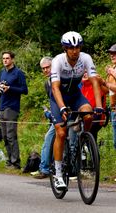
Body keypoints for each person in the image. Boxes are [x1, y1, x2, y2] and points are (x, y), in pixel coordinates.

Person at [50, 31, 103, 190]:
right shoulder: (58, 61)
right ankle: (58, 174)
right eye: (71, 48)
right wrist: (62, 107)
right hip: (58, 98)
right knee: (61, 132)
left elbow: (95, 82)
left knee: (88, 115)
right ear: (65, 49)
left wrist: (98, 105)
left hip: (75, 95)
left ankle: (83, 142)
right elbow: (55, 87)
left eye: (77, 47)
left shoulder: (85, 58)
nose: (75, 51)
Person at [0, 51, 28, 169]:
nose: (5, 60)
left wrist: (10, 88)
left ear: (12, 59)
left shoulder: (18, 73)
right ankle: (10, 160)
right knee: (4, 136)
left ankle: (16, 162)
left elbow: (24, 90)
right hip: (2, 106)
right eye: (3, 58)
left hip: (12, 107)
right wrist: (0, 85)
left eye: (7, 58)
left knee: (11, 135)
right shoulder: (2, 72)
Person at [32, 57, 55, 179]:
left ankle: (46, 168)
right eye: (43, 68)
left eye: (48, 67)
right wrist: (50, 113)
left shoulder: (61, 77)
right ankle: (45, 168)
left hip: (69, 111)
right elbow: (52, 100)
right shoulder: (47, 83)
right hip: (56, 114)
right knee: (49, 138)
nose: (46, 70)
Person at [105, 44, 116, 149]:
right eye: (111, 54)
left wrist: (106, 84)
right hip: (113, 109)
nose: (112, 56)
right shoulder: (112, 68)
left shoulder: (112, 70)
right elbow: (107, 90)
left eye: (114, 53)